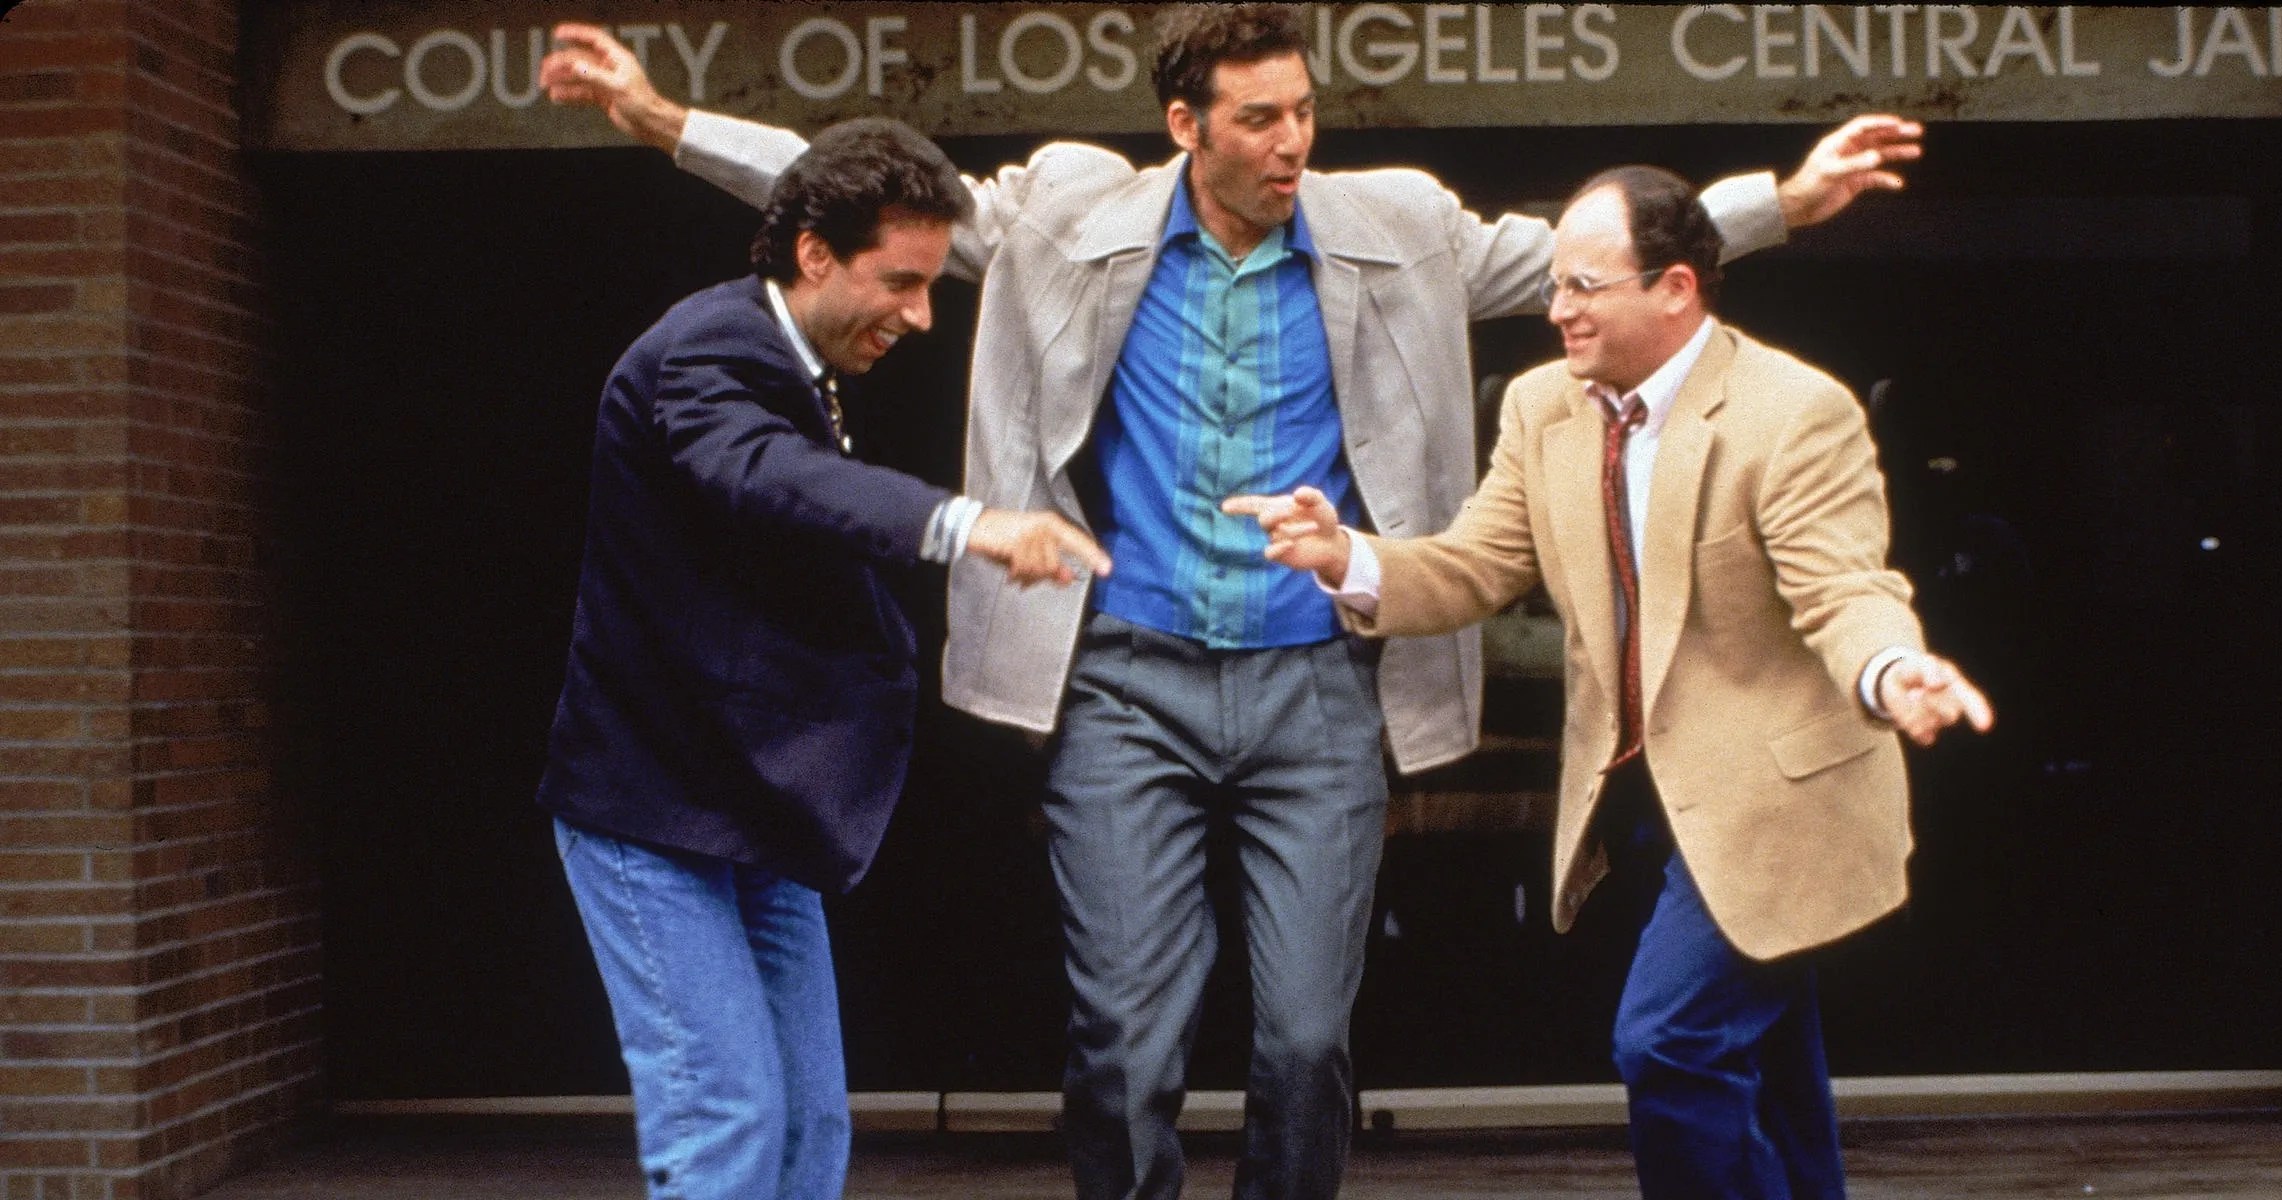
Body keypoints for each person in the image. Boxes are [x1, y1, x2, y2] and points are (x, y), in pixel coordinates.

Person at [541, 8, 1923, 1197]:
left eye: (1304, 112)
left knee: (1306, 1039)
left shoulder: (1397, 224)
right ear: (1184, 124)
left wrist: (1787, 201)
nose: (1291, 143)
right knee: (1124, 1039)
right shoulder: (1071, 213)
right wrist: (661, 120)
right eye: (1259, 119)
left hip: (1314, 684)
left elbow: (1586, 252)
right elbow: (846, 198)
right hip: (1125, 683)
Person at [1224, 164, 1992, 1199]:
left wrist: (1892, 670)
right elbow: (1478, 565)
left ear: (1675, 289)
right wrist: (1344, 557)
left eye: (1584, 286)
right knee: (1768, 1068)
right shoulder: (1542, 405)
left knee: (1670, 1042)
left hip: (1779, 802)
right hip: (1645, 804)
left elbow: (1842, 588)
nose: (1557, 310)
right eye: (1555, 284)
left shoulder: (1794, 411)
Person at [536, 117, 1109, 1200]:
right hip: (652, 811)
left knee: (808, 1125)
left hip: (752, 808)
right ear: (813, 254)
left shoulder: (792, 359)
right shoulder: (711, 351)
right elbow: (763, 473)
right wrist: (965, 524)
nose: (922, 316)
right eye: (901, 283)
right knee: (728, 1117)